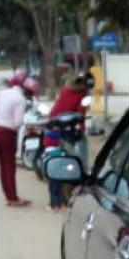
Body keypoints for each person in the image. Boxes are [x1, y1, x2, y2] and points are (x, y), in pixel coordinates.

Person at [0, 70, 31, 207]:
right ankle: (13, 198)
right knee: (10, 166)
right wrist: (14, 124)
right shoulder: (20, 100)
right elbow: (18, 121)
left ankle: (9, 196)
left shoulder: (5, 93)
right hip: (6, 133)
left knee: (3, 166)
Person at [43, 73, 90, 211]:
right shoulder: (83, 95)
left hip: (53, 133)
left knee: (54, 167)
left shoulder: (65, 91)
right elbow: (81, 117)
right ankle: (61, 201)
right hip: (67, 136)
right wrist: (81, 130)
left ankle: (55, 202)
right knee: (73, 166)